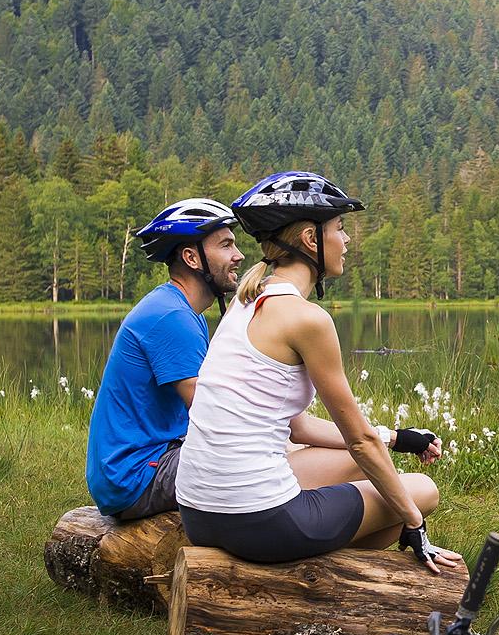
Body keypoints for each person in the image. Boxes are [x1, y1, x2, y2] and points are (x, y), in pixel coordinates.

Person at [178, 171, 462, 572]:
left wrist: (395, 438)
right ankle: (318, 565)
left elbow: (298, 428)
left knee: (365, 468)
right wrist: (416, 525)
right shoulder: (306, 319)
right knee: (422, 491)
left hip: (198, 512)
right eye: (340, 228)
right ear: (311, 239)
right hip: (258, 519)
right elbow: (360, 441)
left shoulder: (245, 302)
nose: (346, 240)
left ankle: (317, 560)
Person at [83, 198, 245, 521]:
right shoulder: (171, 316)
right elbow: (211, 413)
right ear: (191, 258)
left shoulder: (183, 312)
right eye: (226, 245)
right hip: (135, 476)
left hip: (143, 464)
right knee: (260, 462)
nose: (238, 255)